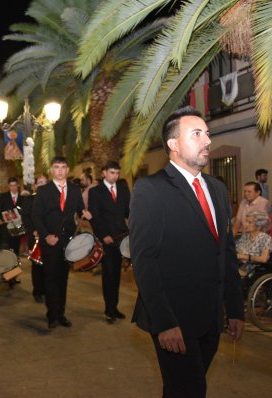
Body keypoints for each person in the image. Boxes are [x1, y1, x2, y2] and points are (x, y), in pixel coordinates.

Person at [129, 106, 244, 397]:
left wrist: (235, 308)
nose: (207, 141)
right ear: (174, 144)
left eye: (207, 134)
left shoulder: (217, 189)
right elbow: (144, 261)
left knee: (182, 389)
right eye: (196, 134)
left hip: (211, 317)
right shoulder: (150, 189)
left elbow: (225, 253)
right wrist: (165, 323)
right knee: (191, 389)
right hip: (174, 320)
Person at [32, 156, 91, 329]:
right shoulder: (44, 191)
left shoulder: (74, 189)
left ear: (67, 170)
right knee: (51, 278)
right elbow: (36, 216)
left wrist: (85, 214)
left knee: (63, 278)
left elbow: (80, 210)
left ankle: (61, 313)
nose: (60, 170)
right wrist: (46, 236)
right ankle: (51, 315)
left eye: (63, 167)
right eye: (56, 167)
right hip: (50, 241)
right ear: (51, 170)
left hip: (67, 241)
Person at [88, 160, 130, 324]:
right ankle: (108, 309)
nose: (115, 175)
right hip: (106, 239)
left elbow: (129, 211)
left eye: (117, 172)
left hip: (121, 237)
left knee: (117, 275)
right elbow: (95, 216)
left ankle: (115, 307)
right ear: (104, 173)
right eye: (112, 172)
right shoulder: (96, 192)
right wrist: (103, 234)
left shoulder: (123, 189)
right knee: (109, 274)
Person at [21, 175, 48, 302]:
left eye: (45, 182)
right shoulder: (29, 200)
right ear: (35, 185)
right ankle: (38, 291)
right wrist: (33, 231)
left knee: (49, 264)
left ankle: (48, 290)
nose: (42, 185)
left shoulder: (52, 199)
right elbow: (26, 217)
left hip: (49, 237)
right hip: (35, 236)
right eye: (40, 183)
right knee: (37, 265)